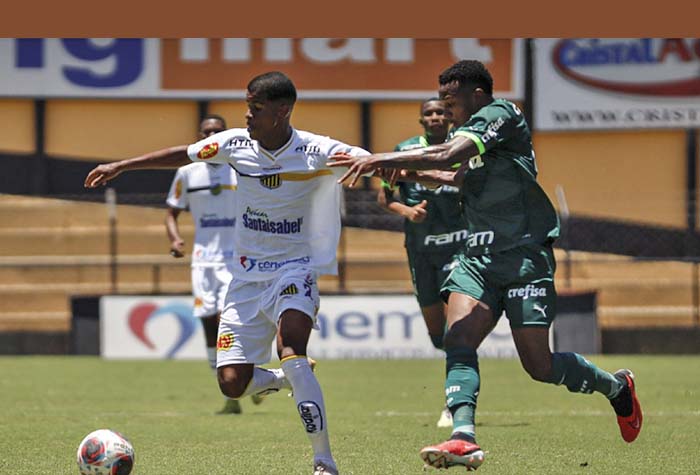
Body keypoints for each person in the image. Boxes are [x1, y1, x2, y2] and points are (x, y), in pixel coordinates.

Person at [330, 60, 642, 471]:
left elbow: (448, 154)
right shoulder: (470, 132)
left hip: (524, 255)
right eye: (441, 99)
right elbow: (462, 176)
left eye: (451, 100)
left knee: (539, 366)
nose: (446, 109)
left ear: (476, 95)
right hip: (477, 258)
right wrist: (416, 175)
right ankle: (463, 436)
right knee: (457, 339)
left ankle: (616, 387)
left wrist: (377, 159)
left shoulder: (501, 114)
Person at [85, 71, 369, 475]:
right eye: (247, 107)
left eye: (255, 108)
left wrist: (423, 173)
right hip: (246, 279)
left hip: (295, 269)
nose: (247, 116)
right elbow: (183, 153)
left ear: (281, 110)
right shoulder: (236, 144)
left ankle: (324, 461)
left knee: (293, 351)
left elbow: (370, 162)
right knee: (232, 382)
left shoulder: (316, 150)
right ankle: (281, 381)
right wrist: (121, 166)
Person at [376, 98, 466, 428]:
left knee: (456, 329)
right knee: (438, 335)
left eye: (441, 112)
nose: (436, 117)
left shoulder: (463, 147)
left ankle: (454, 402)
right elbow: (385, 198)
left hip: (459, 249)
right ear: (421, 120)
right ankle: (458, 363)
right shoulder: (406, 150)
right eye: (429, 113)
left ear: (450, 117)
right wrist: (408, 212)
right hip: (420, 251)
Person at [165, 114, 263, 415]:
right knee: (208, 323)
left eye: (217, 132)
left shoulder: (240, 169)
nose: (211, 136)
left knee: (226, 320)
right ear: (199, 137)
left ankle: (247, 374)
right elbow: (171, 212)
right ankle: (232, 393)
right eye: (207, 133)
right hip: (203, 261)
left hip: (237, 259)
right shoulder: (186, 173)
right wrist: (175, 239)